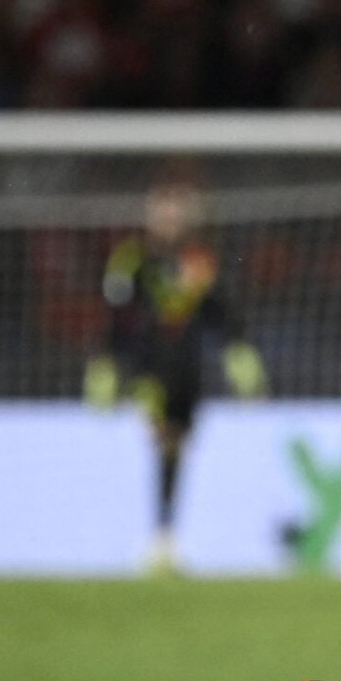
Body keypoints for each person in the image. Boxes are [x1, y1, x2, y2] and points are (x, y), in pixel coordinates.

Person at [85, 180, 266, 573]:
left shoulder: (200, 262)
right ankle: (160, 541)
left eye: (176, 213)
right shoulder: (132, 260)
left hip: (188, 365)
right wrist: (107, 361)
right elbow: (117, 315)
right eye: (162, 212)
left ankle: (166, 537)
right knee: (162, 439)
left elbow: (222, 313)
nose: (169, 220)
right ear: (150, 216)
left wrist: (238, 351)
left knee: (179, 446)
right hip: (147, 365)